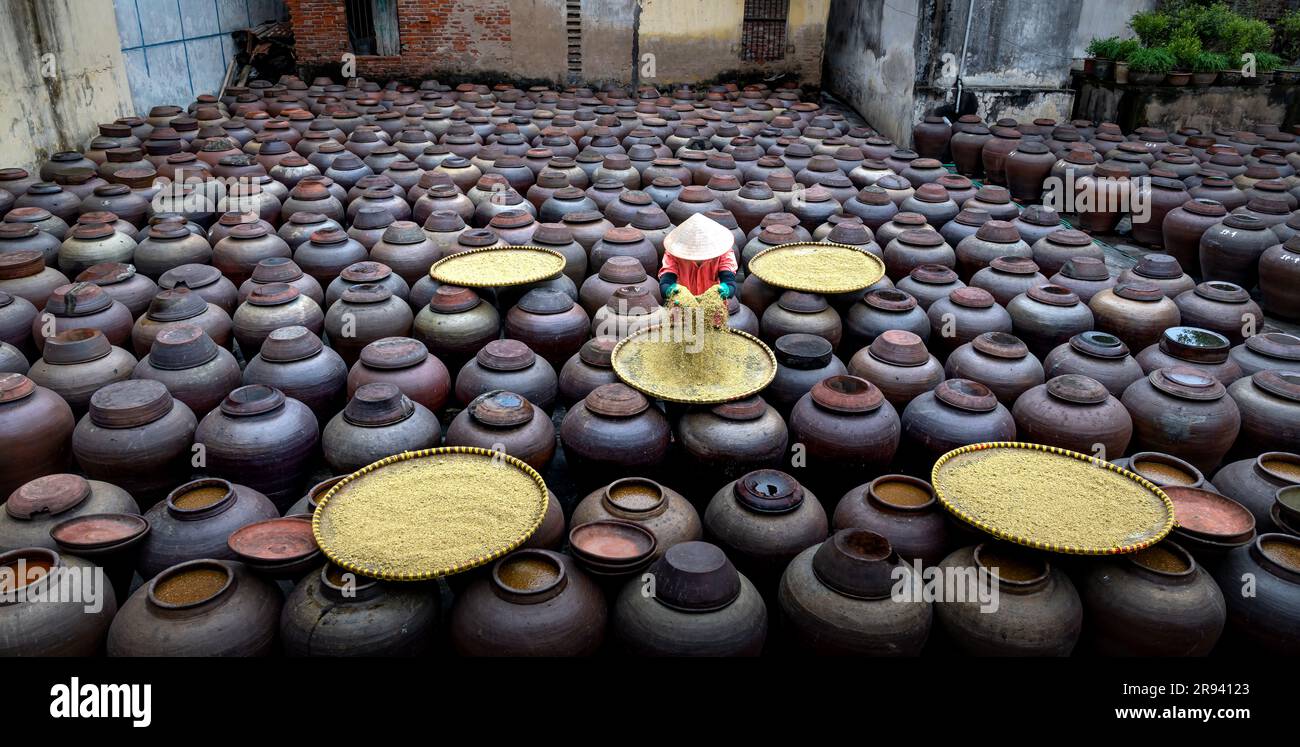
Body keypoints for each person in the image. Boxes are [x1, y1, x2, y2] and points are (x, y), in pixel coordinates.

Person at [657, 213, 739, 301]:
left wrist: (727, 289)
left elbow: (728, 278)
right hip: (683, 302)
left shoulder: (724, 252)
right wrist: (669, 290)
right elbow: (667, 278)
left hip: (712, 302)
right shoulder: (673, 253)